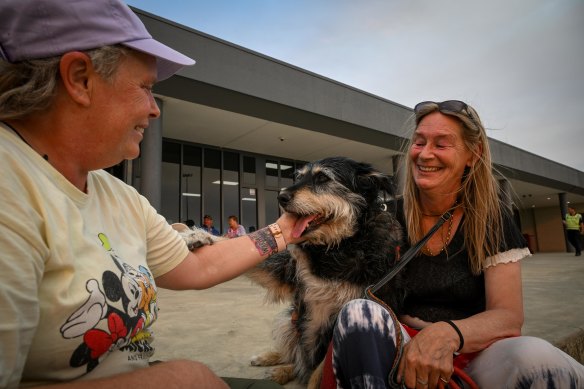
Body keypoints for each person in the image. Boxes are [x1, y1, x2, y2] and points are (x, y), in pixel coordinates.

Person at [0, 1, 305, 388]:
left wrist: (282, 231)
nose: (154, 109)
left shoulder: (116, 194)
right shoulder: (10, 186)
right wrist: (176, 380)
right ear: (79, 78)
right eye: (145, 87)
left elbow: (197, 266)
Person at [326, 100, 584, 388]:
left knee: (537, 357)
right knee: (359, 314)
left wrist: (446, 335)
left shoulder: (491, 219)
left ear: (473, 154)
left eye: (441, 144)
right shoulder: (386, 216)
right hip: (396, 349)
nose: (425, 154)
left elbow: (508, 317)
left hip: (471, 352)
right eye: (419, 142)